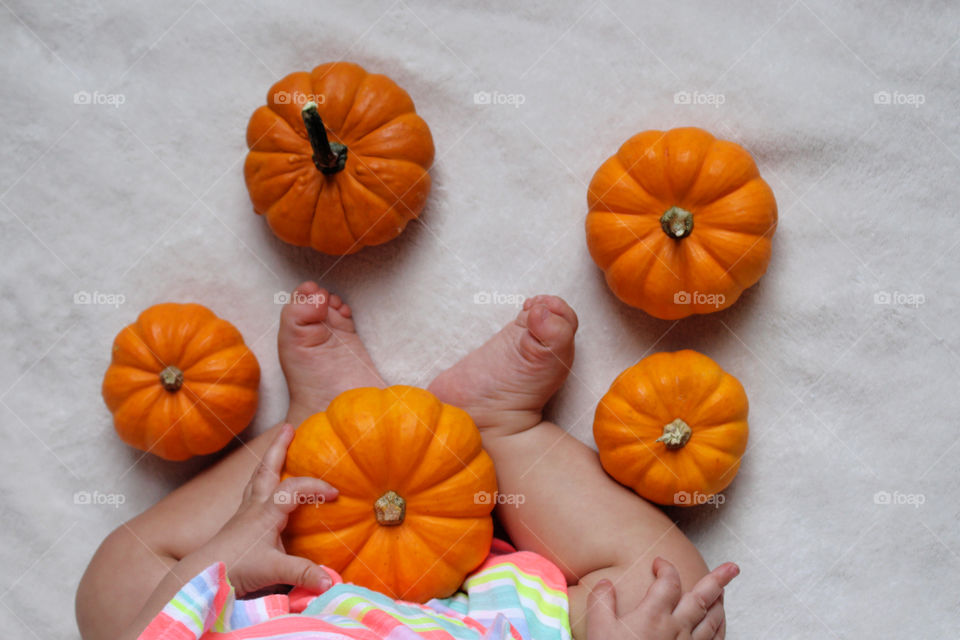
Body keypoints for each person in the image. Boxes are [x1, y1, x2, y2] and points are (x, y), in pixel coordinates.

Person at [76, 281, 737, 639]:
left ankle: (315, 436)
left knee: (111, 592)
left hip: (282, 614)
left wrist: (218, 557)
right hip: (491, 628)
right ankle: (498, 434)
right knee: (666, 588)